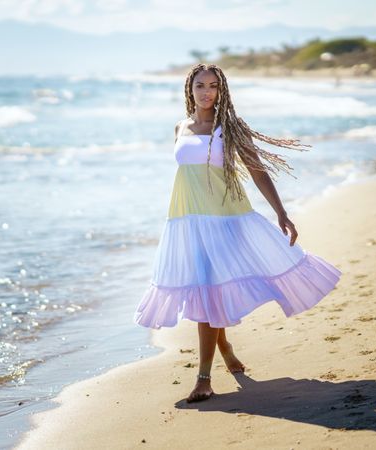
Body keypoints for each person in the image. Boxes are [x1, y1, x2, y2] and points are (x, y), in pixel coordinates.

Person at [133, 64, 342, 403]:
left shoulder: (230, 128)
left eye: (213, 86)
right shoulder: (180, 127)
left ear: (221, 90)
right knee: (207, 292)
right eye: (200, 85)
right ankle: (226, 348)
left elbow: (257, 172)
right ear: (190, 89)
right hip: (187, 221)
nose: (207, 92)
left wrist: (281, 212)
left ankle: (203, 377)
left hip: (226, 219)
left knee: (209, 293)